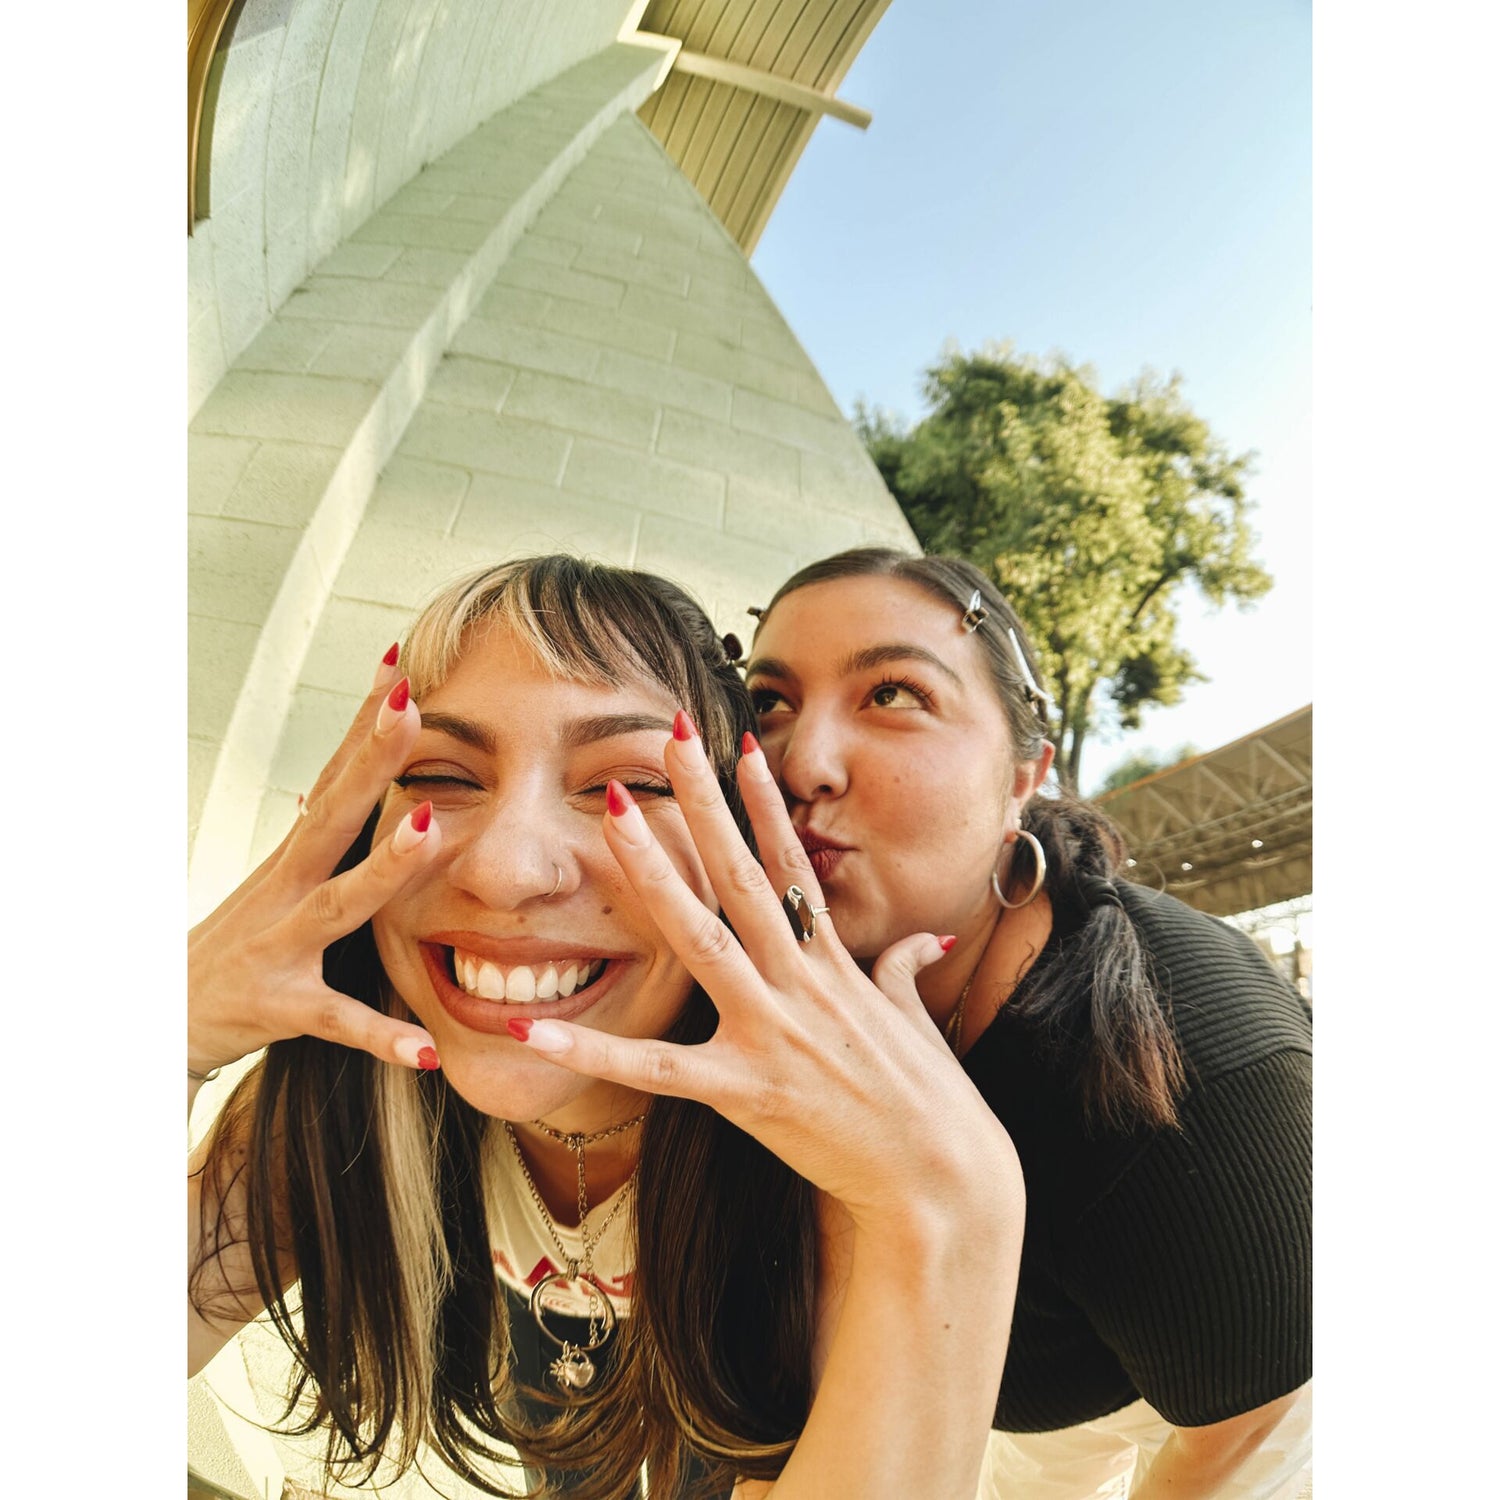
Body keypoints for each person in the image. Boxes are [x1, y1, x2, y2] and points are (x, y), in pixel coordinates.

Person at [189, 553, 1025, 1500]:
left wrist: (953, 1211)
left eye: (625, 786)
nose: (507, 871)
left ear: (742, 850)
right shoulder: (344, 1087)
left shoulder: (826, 1163)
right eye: (439, 774)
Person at [522, 545, 1312, 1499]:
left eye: (894, 694)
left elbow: (1253, 1429)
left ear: (1023, 776)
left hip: (1173, 1410)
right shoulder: (736, 962)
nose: (802, 765)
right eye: (769, 701)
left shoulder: (1203, 1078)